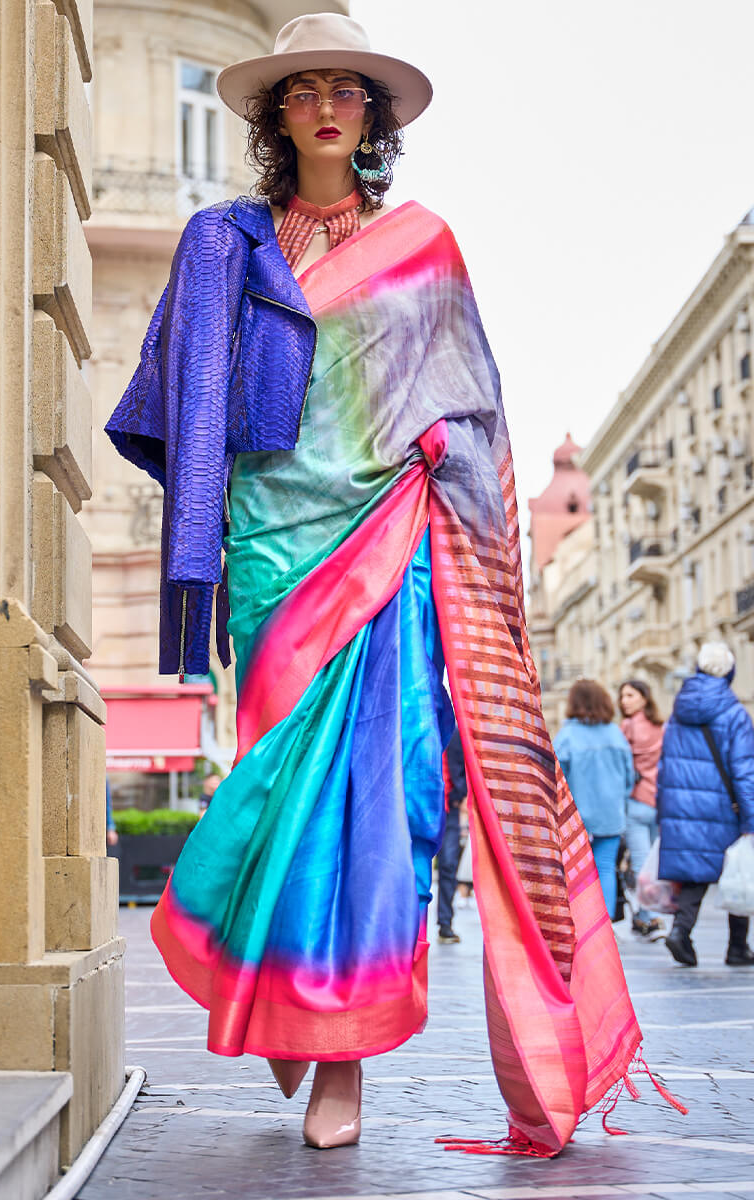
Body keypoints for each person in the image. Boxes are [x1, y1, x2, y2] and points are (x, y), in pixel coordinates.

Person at [105, 13, 644, 1156]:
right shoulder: (225, 243)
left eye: (348, 89)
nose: (326, 104)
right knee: (269, 797)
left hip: (389, 542)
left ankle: (340, 1052)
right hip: (272, 555)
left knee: (376, 808)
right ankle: (287, 997)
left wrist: (438, 448)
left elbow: (468, 398)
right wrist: (197, 548)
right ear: (275, 114)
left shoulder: (421, 244)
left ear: (373, 114)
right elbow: (177, 403)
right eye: (301, 89)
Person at [658, 642, 754, 968]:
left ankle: (680, 932)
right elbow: (744, 770)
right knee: (737, 870)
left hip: (682, 803)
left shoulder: (678, 711)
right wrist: (751, 817)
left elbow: (666, 763)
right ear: (730, 671)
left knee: (696, 875)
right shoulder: (734, 713)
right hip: (723, 807)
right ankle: (738, 948)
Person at [554, 680, 635, 919]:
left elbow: (556, 777)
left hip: (576, 817)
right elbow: (629, 777)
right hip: (610, 814)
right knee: (606, 867)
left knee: (574, 871)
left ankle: (579, 922)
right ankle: (604, 926)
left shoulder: (567, 736)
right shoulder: (615, 734)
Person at [618, 679, 665, 939]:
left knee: (640, 863)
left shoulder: (627, 727)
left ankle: (647, 917)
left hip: (636, 802)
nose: (625, 700)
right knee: (654, 865)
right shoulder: (661, 727)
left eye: (630, 695)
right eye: (623, 696)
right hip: (658, 802)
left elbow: (623, 767)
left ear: (644, 698)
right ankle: (650, 913)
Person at [437, 729, 465, 944]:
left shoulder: (454, 733)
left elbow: (462, 766)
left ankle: (445, 923)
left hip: (449, 808)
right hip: (425, 804)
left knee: (448, 864)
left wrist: (459, 793)